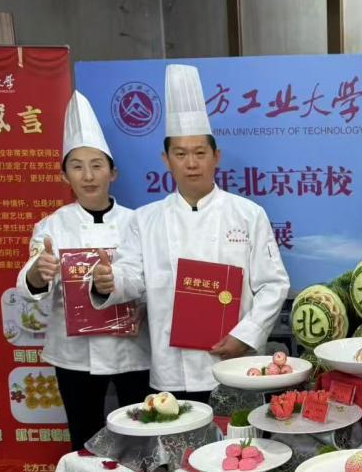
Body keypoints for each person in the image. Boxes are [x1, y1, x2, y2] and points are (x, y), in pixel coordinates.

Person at [92, 64, 290, 402]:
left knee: (236, 436)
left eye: (200, 153)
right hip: (171, 368)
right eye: (180, 154)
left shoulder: (248, 214)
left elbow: (274, 284)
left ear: (216, 157)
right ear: (166, 160)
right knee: (178, 435)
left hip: (234, 362)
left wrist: (246, 335)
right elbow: (132, 278)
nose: (191, 163)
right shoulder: (145, 219)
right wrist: (109, 281)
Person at [17, 91, 150, 451]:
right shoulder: (51, 226)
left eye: (97, 165)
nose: (88, 176)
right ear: (65, 175)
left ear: (113, 172)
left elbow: (149, 280)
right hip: (74, 354)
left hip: (133, 349)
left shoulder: (138, 222)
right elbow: (30, 281)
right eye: (77, 166)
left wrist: (115, 283)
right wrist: (39, 273)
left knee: (141, 438)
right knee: (84, 438)